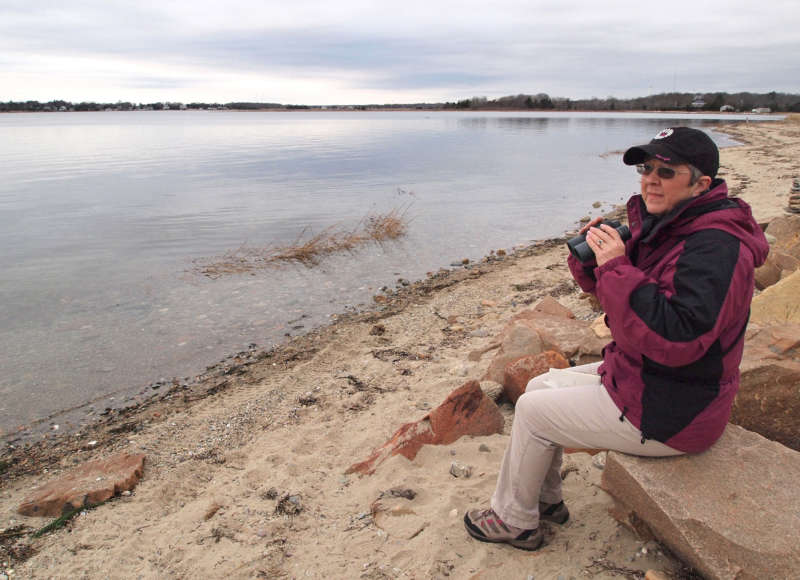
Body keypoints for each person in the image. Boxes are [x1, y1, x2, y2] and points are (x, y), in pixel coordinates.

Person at [463, 126, 769, 551]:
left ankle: (515, 521)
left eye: (667, 171)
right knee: (539, 385)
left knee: (532, 411)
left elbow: (675, 338)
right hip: (651, 378)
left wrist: (615, 267)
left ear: (701, 184)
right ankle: (545, 502)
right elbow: (625, 300)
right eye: (646, 168)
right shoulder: (673, 224)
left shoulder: (715, 247)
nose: (650, 179)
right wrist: (592, 263)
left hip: (675, 409)